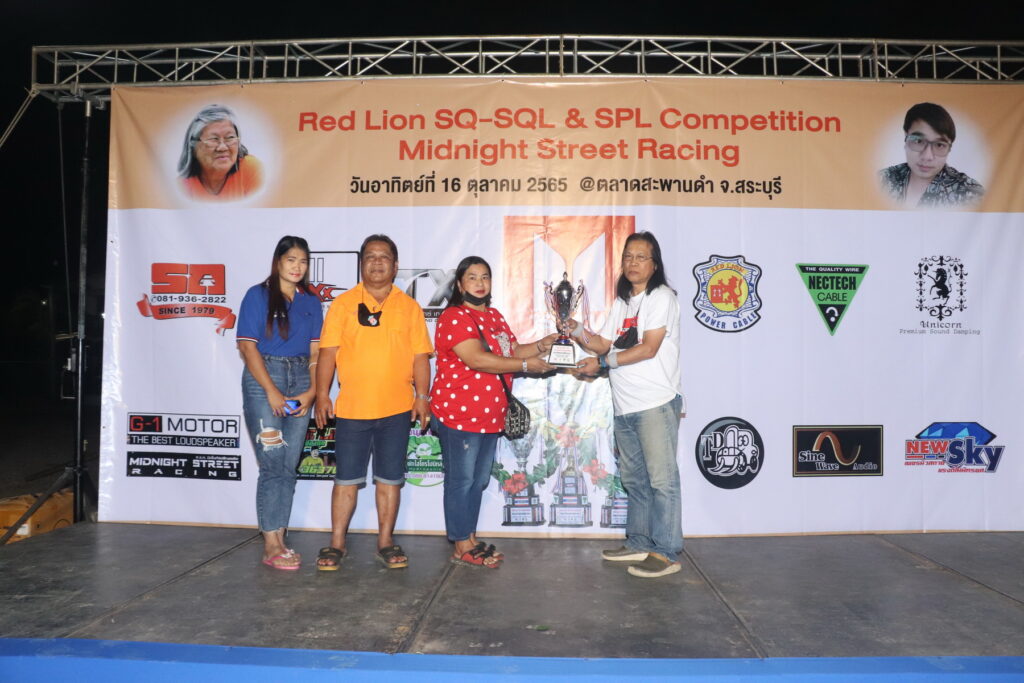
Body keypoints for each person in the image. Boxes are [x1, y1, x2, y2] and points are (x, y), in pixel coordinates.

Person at [314, 235, 432, 571]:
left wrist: (422, 397)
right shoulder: (342, 304)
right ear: (361, 263)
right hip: (352, 409)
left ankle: (385, 541)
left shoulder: (409, 307)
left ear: (395, 266)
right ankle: (337, 542)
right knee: (345, 480)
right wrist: (322, 395)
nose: (377, 262)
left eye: (384, 257)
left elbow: (421, 357)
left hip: (397, 409)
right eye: (370, 256)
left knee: (390, 480)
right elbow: (328, 353)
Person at [431, 256, 557, 568]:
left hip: (490, 416)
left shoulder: (494, 316)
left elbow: (512, 351)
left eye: (485, 277)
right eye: (472, 277)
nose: (480, 283)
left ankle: (470, 538)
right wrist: (525, 365)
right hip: (459, 415)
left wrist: (541, 345)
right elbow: (477, 359)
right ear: (460, 284)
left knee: (477, 481)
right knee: (461, 480)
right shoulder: (454, 317)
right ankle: (461, 544)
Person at [571, 231, 684, 579]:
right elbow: (603, 343)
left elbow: (648, 348)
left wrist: (603, 364)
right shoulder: (623, 302)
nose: (632, 263)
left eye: (641, 257)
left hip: (655, 402)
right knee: (635, 480)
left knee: (662, 481)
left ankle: (665, 552)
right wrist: (574, 328)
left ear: (654, 264)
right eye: (628, 257)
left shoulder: (661, 297)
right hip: (625, 405)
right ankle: (639, 542)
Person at [237, 236, 322, 570]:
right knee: (272, 463)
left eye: (303, 261)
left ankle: (280, 538)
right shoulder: (257, 295)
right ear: (278, 261)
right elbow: (247, 347)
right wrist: (271, 390)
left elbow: (316, 351)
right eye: (291, 260)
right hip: (264, 379)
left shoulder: (311, 300)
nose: (297, 267)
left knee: (288, 464)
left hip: (301, 379)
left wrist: (312, 391)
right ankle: (272, 544)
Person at [879, 102, 984, 208]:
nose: (927, 156)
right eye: (918, 141)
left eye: (939, 145)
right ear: (906, 137)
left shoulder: (969, 193)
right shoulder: (883, 179)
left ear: (949, 148)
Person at [178, 104, 264, 201]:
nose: (222, 148)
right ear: (194, 146)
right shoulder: (182, 186)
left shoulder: (252, 169)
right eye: (213, 139)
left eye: (230, 137)